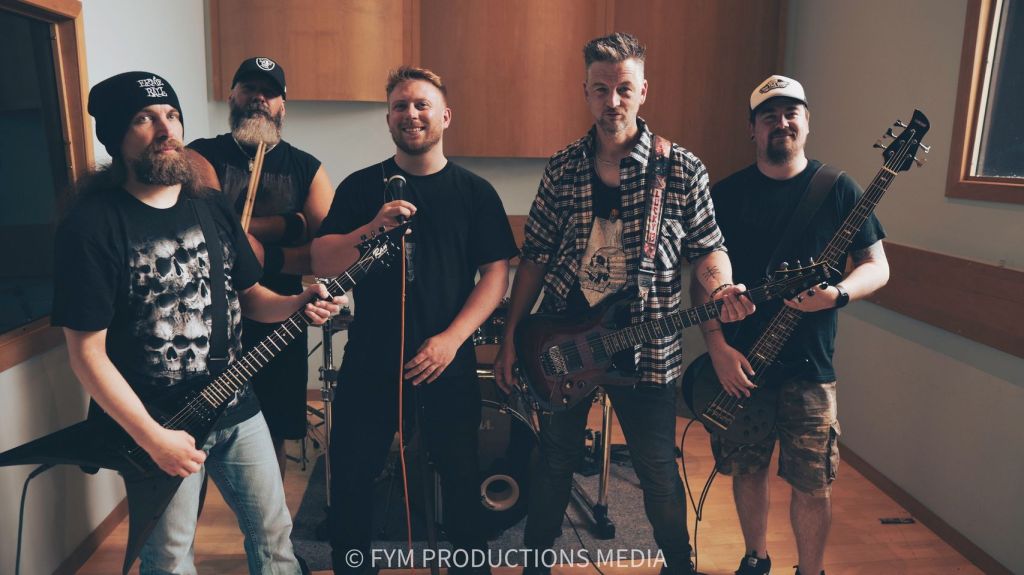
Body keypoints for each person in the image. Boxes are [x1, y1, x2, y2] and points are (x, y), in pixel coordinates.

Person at [52, 71, 343, 574]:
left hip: (238, 405)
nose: (166, 130)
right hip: (160, 422)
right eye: (144, 119)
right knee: (169, 558)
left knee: (275, 536)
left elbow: (251, 298)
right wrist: (152, 437)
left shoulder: (209, 206)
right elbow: (87, 354)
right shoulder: (92, 225)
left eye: (172, 115)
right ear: (115, 136)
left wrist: (298, 303)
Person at [493, 33, 754, 575]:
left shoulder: (680, 168)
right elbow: (534, 257)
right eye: (600, 89)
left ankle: (678, 565)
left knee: (657, 468)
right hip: (562, 342)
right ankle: (535, 564)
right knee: (554, 461)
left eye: (624, 89)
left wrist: (722, 288)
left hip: (647, 346)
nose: (612, 101)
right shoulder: (564, 167)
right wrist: (511, 338)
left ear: (643, 91)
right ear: (585, 92)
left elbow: (709, 249)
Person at [311, 66, 518, 575]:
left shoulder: (475, 192)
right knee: (352, 474)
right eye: (400, 106)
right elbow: (323, 259)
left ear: (445, 116)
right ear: (388, 119)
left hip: (447, 357)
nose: (411, 114)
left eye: (422, 104)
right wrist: (371, 228)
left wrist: (451, 340)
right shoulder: (362, 187)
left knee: (461, 475)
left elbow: (496, 274)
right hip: (371, 355)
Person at [692, 75, 889, 575]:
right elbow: (702, 280)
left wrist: (837, 294)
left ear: (806, 121)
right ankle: (755, 558)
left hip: (811, 366)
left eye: (790, 113)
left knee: (814, 482)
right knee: (747, 470)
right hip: (742, 362)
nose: (781, 123)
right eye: (769, 116)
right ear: (752, 129)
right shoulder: (725, 194)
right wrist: (716, 348)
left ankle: (811, 569)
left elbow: (876, 265)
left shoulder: (839, 189)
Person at [189, 56, 334, 477]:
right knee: (196, 430)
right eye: (249, 88)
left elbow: (325, 252)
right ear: (231, 96)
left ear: (282, 105)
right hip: (207, 315)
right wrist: (289, 225)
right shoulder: (200, 155)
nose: (258, 98)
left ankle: (269, 514)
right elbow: (212, 226)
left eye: (269, 92)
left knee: (273, 426)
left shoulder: (306, 168)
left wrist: (269, 254)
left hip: (279, 313)